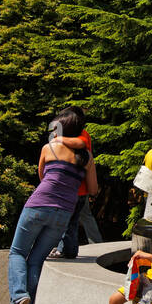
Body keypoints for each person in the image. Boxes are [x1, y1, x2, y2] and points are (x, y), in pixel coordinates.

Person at [5, 108, 97, 304]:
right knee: (36, 260)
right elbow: (93, 189)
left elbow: (42, 175)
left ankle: (18, 296)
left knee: (17, 253)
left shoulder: (49, 147)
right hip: (64, 212)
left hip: (38, 205)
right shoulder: (87, 157)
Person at [53, 107, 101, 259]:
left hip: (77, 189)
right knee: (71, 221)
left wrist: (58, 138)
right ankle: (67, 249)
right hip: (73, 188)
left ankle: (67, 249)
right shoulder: (71, 134)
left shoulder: (81, 135)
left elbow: (81, 143)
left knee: (69, 221)